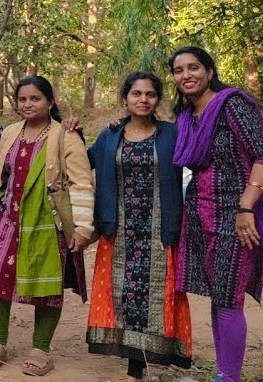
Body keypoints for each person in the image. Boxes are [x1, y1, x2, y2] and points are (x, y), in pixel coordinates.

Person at [170, 46, 263, 382]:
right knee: (220, 295)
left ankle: (229, 377)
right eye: (179, 71)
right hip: (199, 213)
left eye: (194, 67)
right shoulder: (186, 118)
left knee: (230, 297)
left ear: (209, 70)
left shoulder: (231, 105)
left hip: (236, 216)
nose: (187, 75)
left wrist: (246, 206)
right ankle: (224, 372)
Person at [0, 76, 93, 376]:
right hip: (10, 219)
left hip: (48, 222)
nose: (28, 104)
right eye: (23, 99)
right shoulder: (11, 133)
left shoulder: (65, 136)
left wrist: (82, 227)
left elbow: (81, 183)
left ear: (50, 102)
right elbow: (5, 180)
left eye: (36, 99)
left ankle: (41, 349)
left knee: (48, 287)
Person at [86, 72, 192, 382]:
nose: (143, 99)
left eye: (150, 94)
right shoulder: (110, 135)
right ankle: (135, 365)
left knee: (155, 294)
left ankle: (144, 362)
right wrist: (71, 132)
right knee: (124, 294)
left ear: (158, 99)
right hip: (120, 227)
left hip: (160, 227)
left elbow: (199, 156)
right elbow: (84, 161)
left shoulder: (172, 133)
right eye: (136, 94)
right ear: (125, 98)